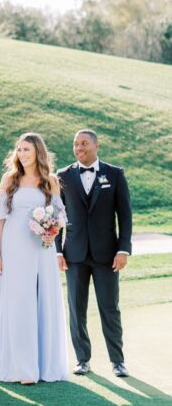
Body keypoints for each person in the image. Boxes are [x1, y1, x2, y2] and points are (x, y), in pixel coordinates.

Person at [0, 132, 68, 384]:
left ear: (38, 152)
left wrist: (51, 232)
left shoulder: (50, 181)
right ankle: (22, 368)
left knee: (42, 300)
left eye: (27, 150)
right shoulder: (9, 179)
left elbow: (60, 215)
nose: (21, 154)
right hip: (13, 246)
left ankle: (43, 365)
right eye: (19, 149)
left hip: (41, 247)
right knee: (18, 302)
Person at [56, 129, 133, 378]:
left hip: (107, 254)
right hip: (74, 255)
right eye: (76, 144)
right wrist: (57, 251)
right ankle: (82, 359)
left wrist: (123, 249)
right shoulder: (63, 176)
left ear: (97, 145)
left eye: (84, 143)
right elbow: (57, 216)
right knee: (76, 309)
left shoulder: (115, 174)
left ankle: (117, 360)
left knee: (109, 307)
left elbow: (125, 215)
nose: (79, 148)